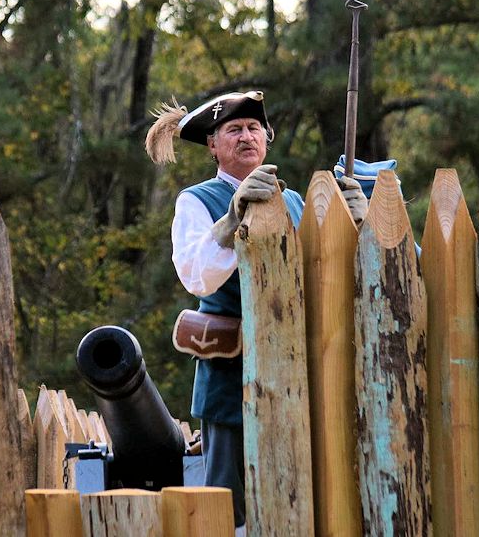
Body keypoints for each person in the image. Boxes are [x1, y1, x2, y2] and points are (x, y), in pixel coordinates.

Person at [145, 91, 367, 534]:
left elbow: (328, 275)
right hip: (231, 377)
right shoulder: (197, 200)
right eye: (233, 130)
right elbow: (195, 275)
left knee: (299, 491)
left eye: (252, 128)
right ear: (212, 145)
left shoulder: (297, 203)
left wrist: (358, 225)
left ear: (267, 138)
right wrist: (231, 220)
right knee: (229, 507)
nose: (245, 136)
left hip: (297, 374)